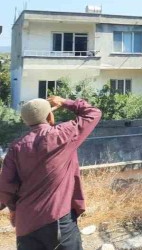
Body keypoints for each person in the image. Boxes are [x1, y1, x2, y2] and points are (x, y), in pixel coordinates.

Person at [0, 96, 102, 250]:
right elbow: (93, 113)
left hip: (26, 224)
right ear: (50, 116)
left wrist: (14, 210)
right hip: (57, 219)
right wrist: (64, 102)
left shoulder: (16, 148)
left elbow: (5, 188)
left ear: (26, 122)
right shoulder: (64, 134)